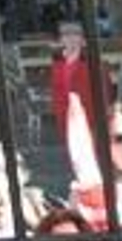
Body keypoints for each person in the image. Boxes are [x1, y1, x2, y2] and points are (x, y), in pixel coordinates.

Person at [49, 22, 107, 150]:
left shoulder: (95, 65)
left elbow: (105, 96)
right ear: (60, 40)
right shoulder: (56, 66)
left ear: (83, 40)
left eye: (75, 34)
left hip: (91, 125)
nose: (71, 39)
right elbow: (56, 95)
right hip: (66, 123)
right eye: (66, 34)